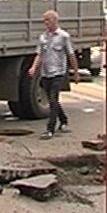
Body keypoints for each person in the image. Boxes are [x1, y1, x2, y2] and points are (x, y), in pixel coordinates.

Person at [28, 9, 80, 139]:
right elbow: (39, 55)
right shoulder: (43, 37)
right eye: (44, 20)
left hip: (58, 73)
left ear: (55, 20)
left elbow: (71, 55)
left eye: (48, 20)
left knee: (52, 99)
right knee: (53, 100)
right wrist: (34, 68)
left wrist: (76, 72)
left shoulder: (64, 36)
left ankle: (50, 129)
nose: (46, 23)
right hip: (45, 73)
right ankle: (64, 120)